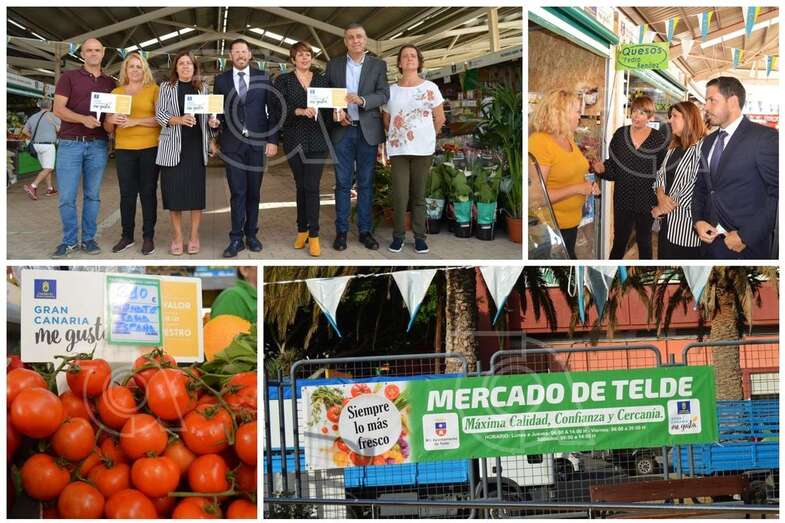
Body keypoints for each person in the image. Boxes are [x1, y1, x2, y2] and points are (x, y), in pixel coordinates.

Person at [692, 76, 778, 259]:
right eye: (706, 101)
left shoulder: (764, 138)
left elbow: (777, 194)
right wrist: (698, 220)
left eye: (712, 100)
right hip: (708, 243)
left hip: (744, 248)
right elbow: (701, 187)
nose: (706, 107)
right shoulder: (708, 142)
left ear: (732, 102)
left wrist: (745, 236)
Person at [210, 38, 279, 258]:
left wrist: (272, 140)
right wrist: (214, 123)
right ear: (230, 56)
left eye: (244, 51)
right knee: (237, 192)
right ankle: (236, 238)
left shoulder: (263, 77)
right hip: (232, 144)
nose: (240, 55)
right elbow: (217, 110)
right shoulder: (221, 80)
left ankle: (251, 234)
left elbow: (273, 111)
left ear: (249, 55)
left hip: (257, 144)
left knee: (254, 192)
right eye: (236, 52)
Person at [326, 22, 390, 251]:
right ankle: (341, 232)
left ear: (365, 40)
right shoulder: (333, 65)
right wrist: (337, 112)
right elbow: (328, 94)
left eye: (359, 36)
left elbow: (383, 94)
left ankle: (365, 231)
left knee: (365, 183)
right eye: (351, 37)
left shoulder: (378, 65)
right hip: (342, 130)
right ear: (345, 41)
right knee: (342, 183)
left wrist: (363, 101)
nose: (355, 40)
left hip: (367, 131)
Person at [51, 38, 116, 257]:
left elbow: (110, 117)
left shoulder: (110, 83)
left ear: (103, 53)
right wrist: (82, 119)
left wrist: (115, 122)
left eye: (97, 50)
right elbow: (58, 109)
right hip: (70, 144)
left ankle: (88, 239)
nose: (93, 53)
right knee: (66, 197)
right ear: (82, 54)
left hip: (98, 145)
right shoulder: (68, 77)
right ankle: (69, 241)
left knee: (92, 196)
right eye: (89, 50)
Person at [382, 44, 445, 254]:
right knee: (400, 195)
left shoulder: (430, 88)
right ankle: (398, 236)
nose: (409, 58)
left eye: (413, 55)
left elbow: (440, 118)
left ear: (419, 61)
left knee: (419, 195)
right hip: (398, 150)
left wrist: (427, 136)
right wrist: (396, 136)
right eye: (405, 56)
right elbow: (386, 119)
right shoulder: (391, 91)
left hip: (423, 150)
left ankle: (419, 237)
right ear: (399, 63)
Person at [272, 41, 331, 257]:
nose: (305, 58)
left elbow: (330, 108)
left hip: (318, 140)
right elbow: (278, 107)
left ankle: (314, 235)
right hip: (294, 139)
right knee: (301, 186)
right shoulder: (283, 80)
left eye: (308, 54)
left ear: (311, 58)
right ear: (293, 59)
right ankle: (302, 230)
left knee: (312, 186)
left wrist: (338, 111)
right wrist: (298, 111)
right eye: (300, 55)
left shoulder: (322, 80)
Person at [592, 96, 667, 260]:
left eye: (642, 113)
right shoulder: (620, 135)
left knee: (644, 242)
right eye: (634, 111)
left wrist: (661, 198)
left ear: (650, 117)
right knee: (619, 242)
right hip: (622, 199)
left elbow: (663, 171)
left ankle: (646, 273)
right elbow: (613, 166)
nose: (636, 116)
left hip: (647, 199)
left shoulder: (658, 139)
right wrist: (602, 169)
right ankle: (610, 272)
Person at [528, 89, 599, 259]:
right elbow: (536, 197)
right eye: (576, 111)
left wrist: (588, 186)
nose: (579, 116)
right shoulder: (539, 142)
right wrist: (577, 188)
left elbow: (571, 172)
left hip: (571, 224)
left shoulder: (567, 138)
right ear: (561, 113)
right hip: (550, 229)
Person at [103, 52, 161, 256]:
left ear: (144, 69)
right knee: (127, 194)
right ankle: (127, 236)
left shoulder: (154, 90)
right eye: (131, 66)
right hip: (124, 149)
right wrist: (111, 119)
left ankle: (148, 237)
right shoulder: (116, 92)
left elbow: (160, 119)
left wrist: (135, 121)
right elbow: (108, 128)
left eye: (138, 66)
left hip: (149, 148)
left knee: (148, 193)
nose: (135, 70)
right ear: (125, 70)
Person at [155, 51, 210, 256]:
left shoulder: (203, 88)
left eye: (189, 63)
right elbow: (160, 114)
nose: (185, 66)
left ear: (194, 67)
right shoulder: (166, 87)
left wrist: (214, 123)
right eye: (181, 63)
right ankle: (177, 237)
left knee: (196, 196)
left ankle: (194, 236)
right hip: (172, 148)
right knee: (174, 196)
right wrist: (178, 120)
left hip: (196, 148)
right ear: (176, 67)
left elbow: (208, 117)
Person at [651, 102, 705, 259]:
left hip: (686, 229)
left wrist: (662, 208)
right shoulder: (673, 146)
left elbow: (692, 186)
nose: (670, 120)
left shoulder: (701, 148)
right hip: (667, 225)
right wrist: (660, 195)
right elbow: (660, 175)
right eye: (670, 116)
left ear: (689, 119)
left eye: (675, 116)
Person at [22, 98, 61, 199]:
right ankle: (33, 186)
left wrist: (34, 137)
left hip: (36, 145)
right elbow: (60, 130)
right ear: (50, 106)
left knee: (46, 168)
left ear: (40, 106)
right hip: (48, 146)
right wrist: (54, 125)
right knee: (49, 168)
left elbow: (24, 131)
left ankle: (50, 188)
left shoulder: (33, 117)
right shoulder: (53, 116)